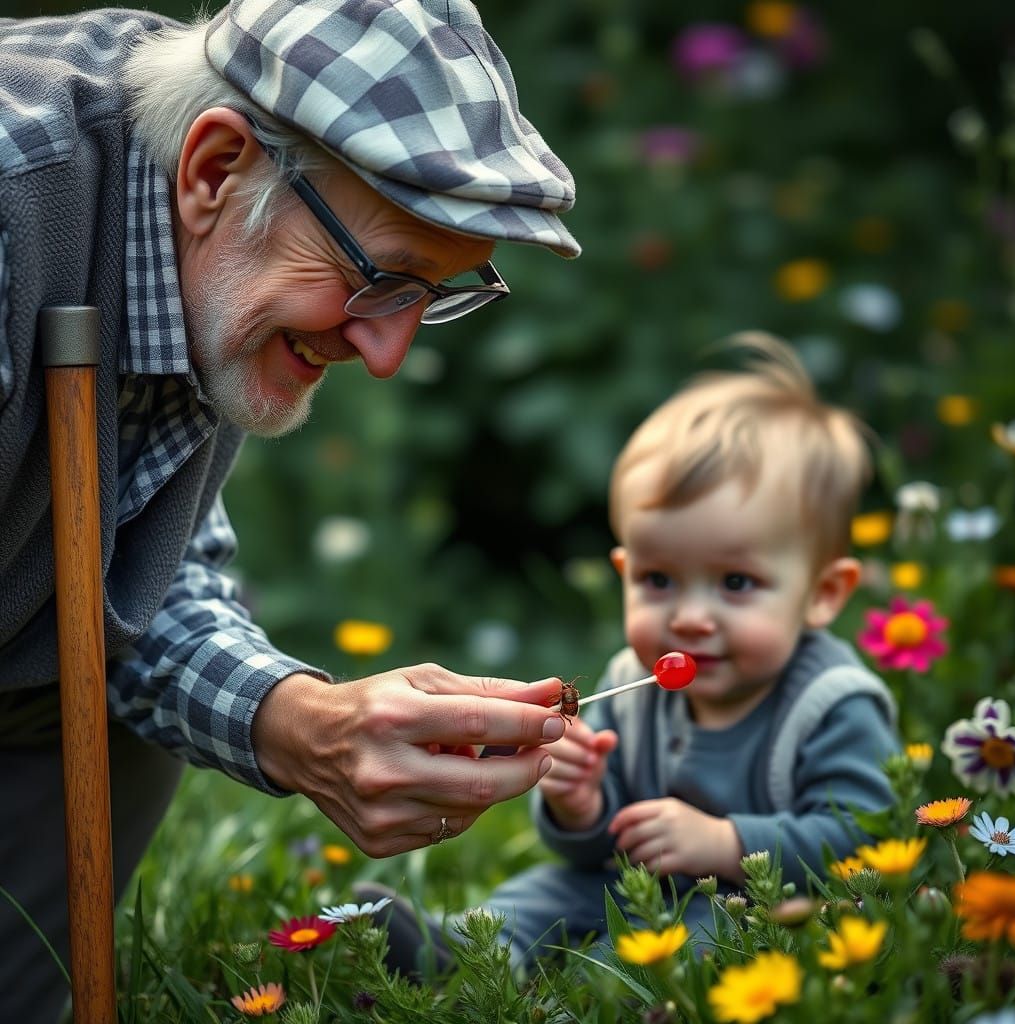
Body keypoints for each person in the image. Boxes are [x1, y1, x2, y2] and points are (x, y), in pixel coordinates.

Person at [0, 1, 580, 1018]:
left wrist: (301, 723)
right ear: (215, 169)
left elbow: (132, 580)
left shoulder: (205, 257)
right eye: (382, 278)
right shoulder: (20, 208)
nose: (387, 354)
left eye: (430, 294)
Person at [361, 333, 901, 975]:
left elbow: (867, 834)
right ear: (624, 572)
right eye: (658, 579)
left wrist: (728, 844)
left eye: (736, 582)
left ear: (822, 594)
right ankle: (474, 955)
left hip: (765, 900)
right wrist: (582, 805)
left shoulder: (831, 703)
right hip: (634, 885)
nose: (690, 618)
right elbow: (597, 852)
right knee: (548, 892)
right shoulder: (632, 682)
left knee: (720, 933)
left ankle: (616, 983)